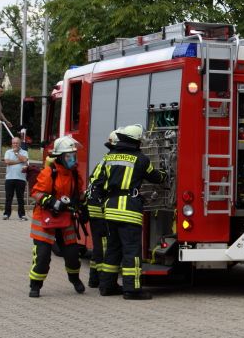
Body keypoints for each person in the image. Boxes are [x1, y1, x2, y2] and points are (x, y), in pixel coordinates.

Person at [94, 124, 167, 300]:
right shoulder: (141, 159)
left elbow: (97, 180)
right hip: (129, 210)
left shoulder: (108, 157)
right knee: (131, 251)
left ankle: (107, 286)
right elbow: (156, 177)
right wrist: (165, 174)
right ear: (137, 142)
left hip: (110, 210)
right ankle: (132, 290)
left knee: (112, 249)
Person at [28, 135, 86, 298]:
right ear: (60, 157)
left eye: (74, 155)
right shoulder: (49, 172)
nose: (72, 159)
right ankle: (35, 285)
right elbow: (36, 193)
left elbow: (79, 193)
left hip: (65, 217)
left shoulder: (74, 174)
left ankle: (74, 279)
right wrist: (52, 202)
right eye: (69, 156)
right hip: (45, 218)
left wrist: (83, 204)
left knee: (72, 254)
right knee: (43, 255)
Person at [85, 130, 119, 289]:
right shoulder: (113, 159)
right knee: (103, 245)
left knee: (99, 243)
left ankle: (94, 279)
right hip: (98, 204)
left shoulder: (107, 158)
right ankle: (103, 279)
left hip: (94, 202)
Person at [3, 137, 29, 220]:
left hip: (21, 178)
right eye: (13, 143)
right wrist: (19, 161)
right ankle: (6, 214)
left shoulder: (24, 152)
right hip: (9, 178)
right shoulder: (8, 152)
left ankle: (22, 215)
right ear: (11, 144)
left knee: (20, 198)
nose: (15, 144)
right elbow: (7, 162)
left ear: (20, 144)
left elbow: (25, 159)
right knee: (8, 197)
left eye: (17, 143)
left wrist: (17, 153)